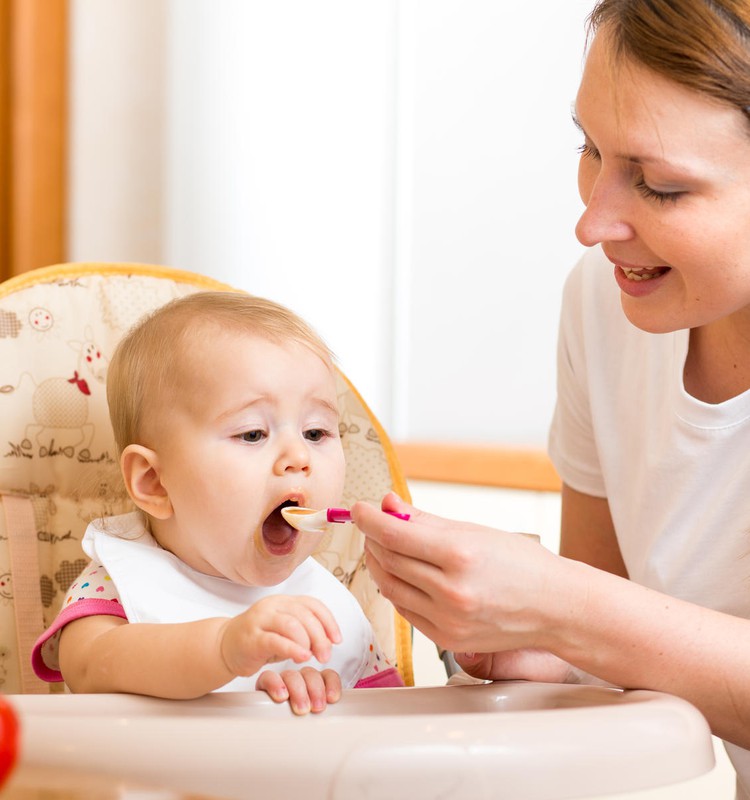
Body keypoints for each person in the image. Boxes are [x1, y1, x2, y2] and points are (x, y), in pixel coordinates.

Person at [352, 0, 750, 795]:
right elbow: (611, 649)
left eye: (662, 187)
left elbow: (593, 610)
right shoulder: (608, 306)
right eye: (590, 148)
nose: (592, 223)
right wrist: (526, 640)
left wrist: (561, 606)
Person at [32, 291, 402, 714]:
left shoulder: (329, 601)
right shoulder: (120, 583)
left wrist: (328, 700)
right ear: (155, 481)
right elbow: (91, 665)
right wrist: (223, 649)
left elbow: (384, 733)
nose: (299, 458)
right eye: (252, 434)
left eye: (315, 433)